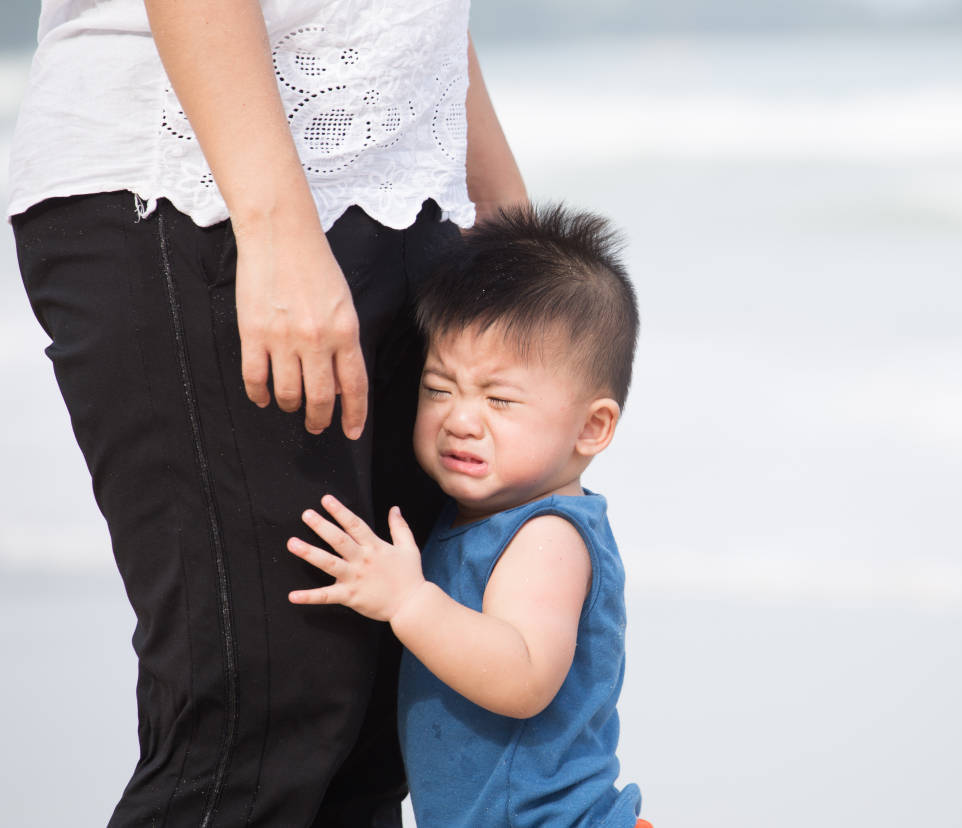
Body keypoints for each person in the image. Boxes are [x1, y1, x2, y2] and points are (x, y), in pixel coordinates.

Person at [8, 1, 526, 825]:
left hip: (409, 194)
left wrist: (504, 213)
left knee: (374, 731)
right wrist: (275, 228)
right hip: (197, 187)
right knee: (261, 722)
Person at [285, 205, 652, 828]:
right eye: (439, 388)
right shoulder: (471, 520)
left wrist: (407, 602)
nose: (460, 418)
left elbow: (523, 677)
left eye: (500, 399)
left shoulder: (548, 536)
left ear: (592, 428)